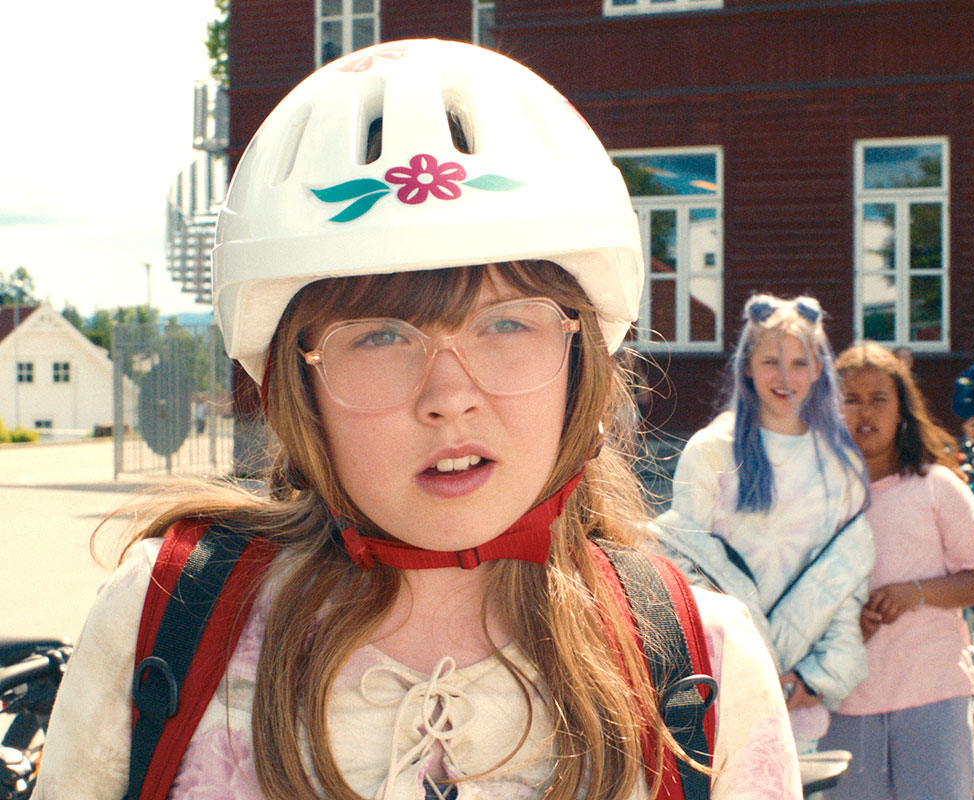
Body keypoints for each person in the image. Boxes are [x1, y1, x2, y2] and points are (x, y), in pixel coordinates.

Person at [32, 40, 801, 800]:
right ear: (299, 388)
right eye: (379, 335)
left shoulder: (702, 665)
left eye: (506, 323)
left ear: (582, 357)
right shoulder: (164, 622)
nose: (448, 395)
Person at [654, 293, 874, 754]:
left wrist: (815, 677)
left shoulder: (839, 465)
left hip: (797, 701)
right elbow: (680, 563)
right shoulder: (712, 449)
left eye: (799, 363)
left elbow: (846, 583)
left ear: (818, 370)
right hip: (720, 687)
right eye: (771, 360)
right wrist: (735, 665)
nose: (785, 377)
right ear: (748, 366)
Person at [821, 343, 974, 799]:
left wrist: (915, 592)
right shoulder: (816, 498)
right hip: (846, 699)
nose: (866, 411)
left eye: (880, 398)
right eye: (851, 398)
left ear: (902, 409)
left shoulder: (935, 486)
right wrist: (843, 623)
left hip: (933, 693)